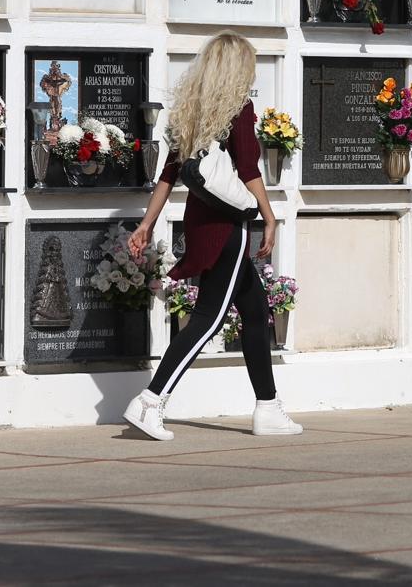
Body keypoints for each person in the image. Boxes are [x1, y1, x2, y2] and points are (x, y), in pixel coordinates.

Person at [122, 31, 300, 441]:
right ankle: (150, 401)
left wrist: (147, 224)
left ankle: (268, 408)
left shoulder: (192, 112)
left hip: (200, 221)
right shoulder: (239, 110)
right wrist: (269, 218)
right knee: (209, 317)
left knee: (255, 312)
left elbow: (168, 172)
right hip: (228, 227)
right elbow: (250, 169)